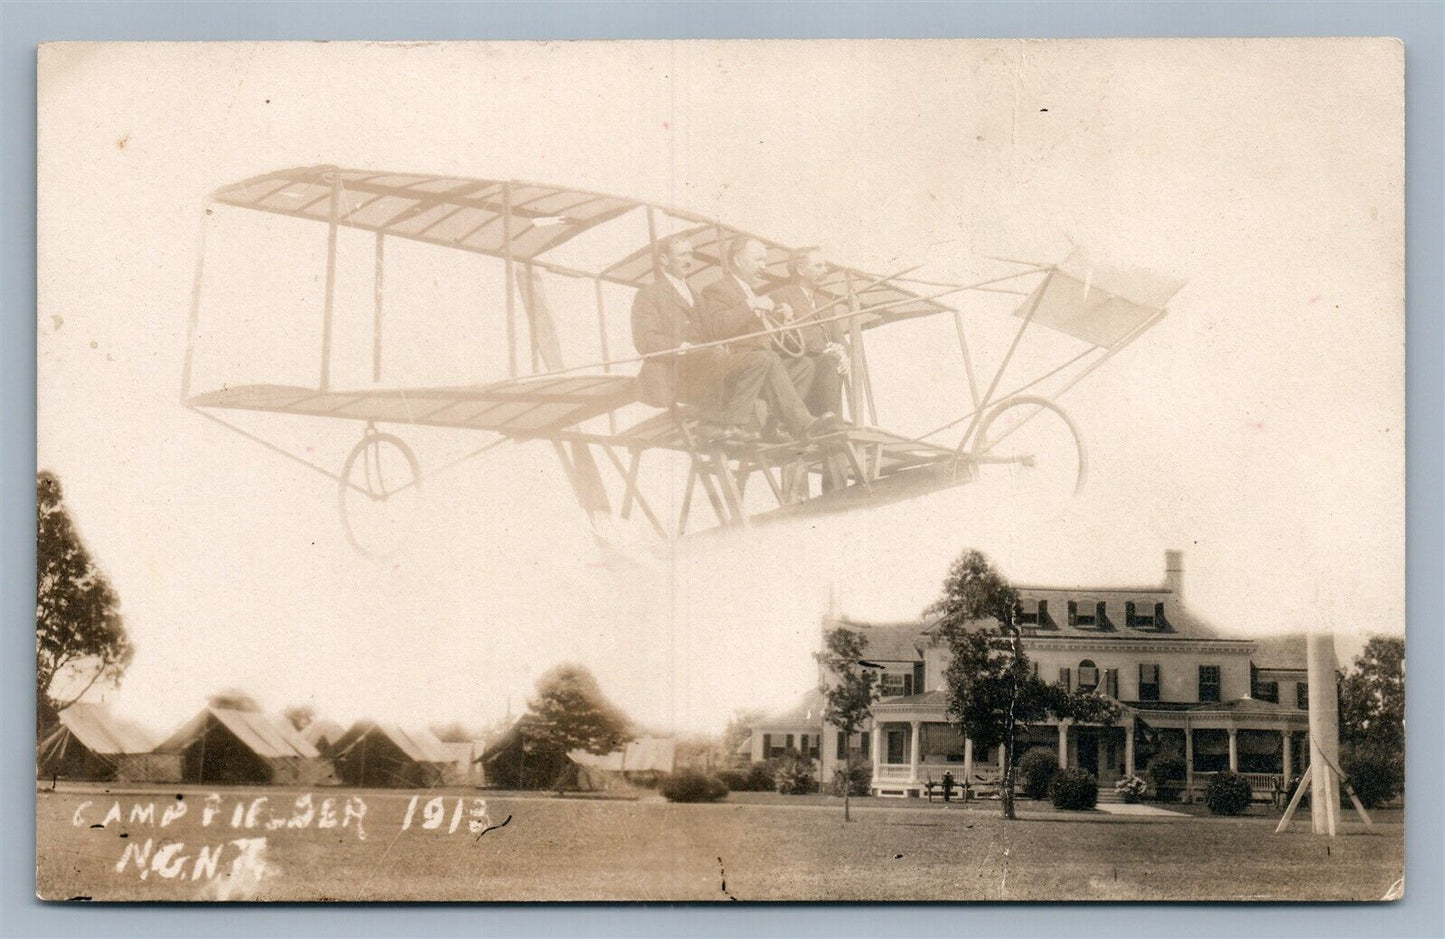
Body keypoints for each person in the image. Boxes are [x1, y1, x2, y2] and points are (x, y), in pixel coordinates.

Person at [695, 236, 840, 442]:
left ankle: (775, 424)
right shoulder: (718, 289)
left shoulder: (751, 292)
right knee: (768, 358)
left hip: (760, 365)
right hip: (735, 368)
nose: (763, 267)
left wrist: (782, 322)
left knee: (805, 365)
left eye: (764, 261)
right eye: (758, 260)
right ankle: (802, 424)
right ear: (737, 260)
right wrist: (752, 306)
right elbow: (717, 328)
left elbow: (769, 340)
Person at [630, 236, 770, 443]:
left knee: (760, 359)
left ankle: (735, 422)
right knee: (714, 355)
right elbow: (645, 339)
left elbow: (712, 332)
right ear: (664, 259)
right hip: (673, 370)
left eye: (691, 254)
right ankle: (709, 425)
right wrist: (680, 346)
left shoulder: (696, 295)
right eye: (682, 255)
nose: (689, 260)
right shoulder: (649, 294)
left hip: (704, 366)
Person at [767, 246, 850, 420]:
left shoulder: (825, 302)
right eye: (818, 266)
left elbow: (841, 340)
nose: (825, 271)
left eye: (825, 266)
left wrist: (843, 353)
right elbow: (785, 342)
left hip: (827, 369)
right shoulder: (780, 296)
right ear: (800, 270)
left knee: (832, 361)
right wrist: (826, 350)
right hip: (799, 368)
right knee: (828, 360)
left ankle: (829, 418)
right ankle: (826, 418)